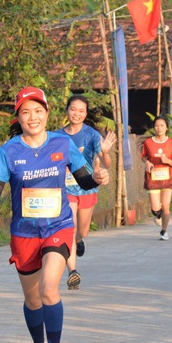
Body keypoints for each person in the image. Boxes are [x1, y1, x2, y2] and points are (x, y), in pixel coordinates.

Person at [0, 86, 109, 343]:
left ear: (48, 113)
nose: (32, 117)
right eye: (26, 112)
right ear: (19, 117)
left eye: (38, 111)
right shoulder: (9, 151)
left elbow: (83, 178)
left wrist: (97, 178)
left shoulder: (62, 143)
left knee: (50, 288)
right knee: (32, 299)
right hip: (24, 233)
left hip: (58, 226)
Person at [56, 95, 116, 290]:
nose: (77, 114)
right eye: (73, 109)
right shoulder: (57, 137)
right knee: (69, 229)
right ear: (67, 110)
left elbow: (107, 164)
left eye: (81, 111)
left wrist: (105, 152)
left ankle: (80, 240)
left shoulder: (91, 135)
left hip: (87, 187)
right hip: (66, 190)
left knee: (81, 231)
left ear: (86, 114)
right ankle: (72, 272)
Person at [140, 115, 172, 240]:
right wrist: (146, 162)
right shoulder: (148, 142)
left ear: (167, 128)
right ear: (154, 127)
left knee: (166, 206)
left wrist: (167, 160)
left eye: (162, 125)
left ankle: (164, 231)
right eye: (157, 125)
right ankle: (157, 215)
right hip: (153, 179)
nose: (159, 128)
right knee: (156, 207)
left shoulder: (171, 144)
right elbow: (143, 156)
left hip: (167, 179)